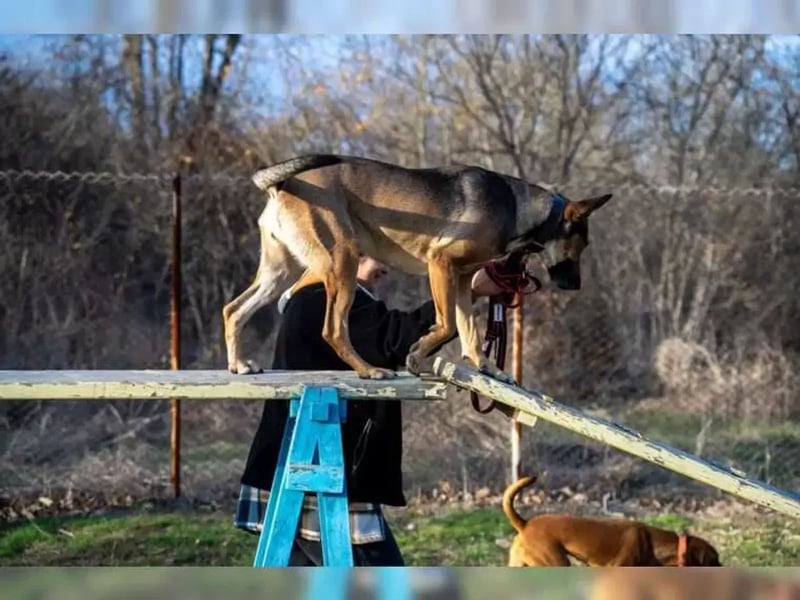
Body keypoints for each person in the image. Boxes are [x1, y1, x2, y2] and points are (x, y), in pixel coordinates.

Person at [234, 256, 507, 567]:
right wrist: (468, 290)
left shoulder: (314, 296)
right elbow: (397, 339)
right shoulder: (326, 298)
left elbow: (389, 337)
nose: (387, 266)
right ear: (355, 250)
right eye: (380, 252)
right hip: (322, 479)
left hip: (301, 473)